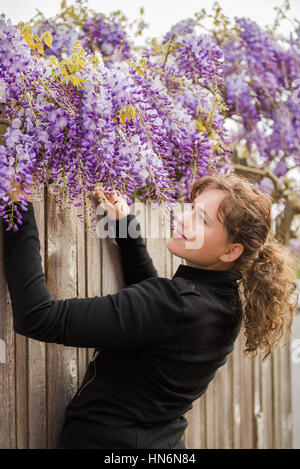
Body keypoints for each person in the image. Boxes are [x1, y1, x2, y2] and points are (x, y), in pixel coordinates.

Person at [2, 173, 298, 449]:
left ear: (230, 251)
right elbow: (155, 313)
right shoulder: (224, 303)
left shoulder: (177, 304)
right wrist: (125, 226)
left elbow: (38, 317)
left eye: (201, 219)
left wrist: (18, 209)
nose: (182, 219)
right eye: (191, 208)